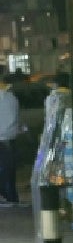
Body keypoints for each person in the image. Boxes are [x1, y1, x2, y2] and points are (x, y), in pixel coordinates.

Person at [0, 72, 23, 206]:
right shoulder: (11, 97)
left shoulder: (8, 97)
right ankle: (10, 198)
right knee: (8, 172)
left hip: (5, 139)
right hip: (8, 140)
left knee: (5, 172)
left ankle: (8, 197)